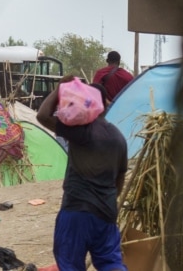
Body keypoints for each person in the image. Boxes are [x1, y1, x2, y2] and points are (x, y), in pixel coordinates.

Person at [36, 77, 127, 271]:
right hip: (106, 213)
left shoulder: (81, 131)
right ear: (105, 105)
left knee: (69, 264)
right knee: (111, 263)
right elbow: (119, 180)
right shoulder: (119, 137)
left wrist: (60, 87)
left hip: (77, 211)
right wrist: (105, 201)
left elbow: (42, 116)